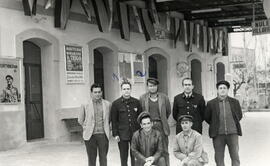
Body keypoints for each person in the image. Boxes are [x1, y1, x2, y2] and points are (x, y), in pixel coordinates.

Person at [204, 80, 243, 166]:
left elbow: (239, 115)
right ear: (217, 90)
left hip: (232, 134)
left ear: (227, 90)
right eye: (220, 88)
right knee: (219, 158)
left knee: (235, 157)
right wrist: (215, 124)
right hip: (218, 135)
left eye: (224, 88)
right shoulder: (211, 103)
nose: (222, 90)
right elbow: (207, 117)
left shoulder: (234, 102)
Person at [139, 77, 171, 166]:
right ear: (147, 87)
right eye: (150, 86)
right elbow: (141, 112)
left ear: (157, 86)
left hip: (161, 126)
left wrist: (162, 121)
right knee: (149, 149)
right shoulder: (143, 98)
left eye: (154, 86)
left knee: (164, 150)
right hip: (148, 126)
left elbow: (168, 111)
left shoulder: (164, 97)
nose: (152, 88)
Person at [78, 84, 111, 166]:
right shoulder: (85, 105)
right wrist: (86, 127)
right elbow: (80, 120)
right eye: (95, 92)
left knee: (103, 158)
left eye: (99, 92)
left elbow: (109, 119)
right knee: (91, 159)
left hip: (103, 135)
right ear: (91, 93)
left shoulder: (107, 104)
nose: (97, 94)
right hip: (90, 136)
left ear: (102, 92)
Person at [111, 81, 142, 166]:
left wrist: (140, 133)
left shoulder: (136, 102)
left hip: (135, 134)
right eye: (124, 89)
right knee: (123, 157)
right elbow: (114, 120)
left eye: (128, 89)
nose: (126, 91)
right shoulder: (116, 104)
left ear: (131, 89)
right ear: (121, 90)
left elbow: (141, 118)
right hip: (122, 135)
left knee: (135, 156)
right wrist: (115, 134)